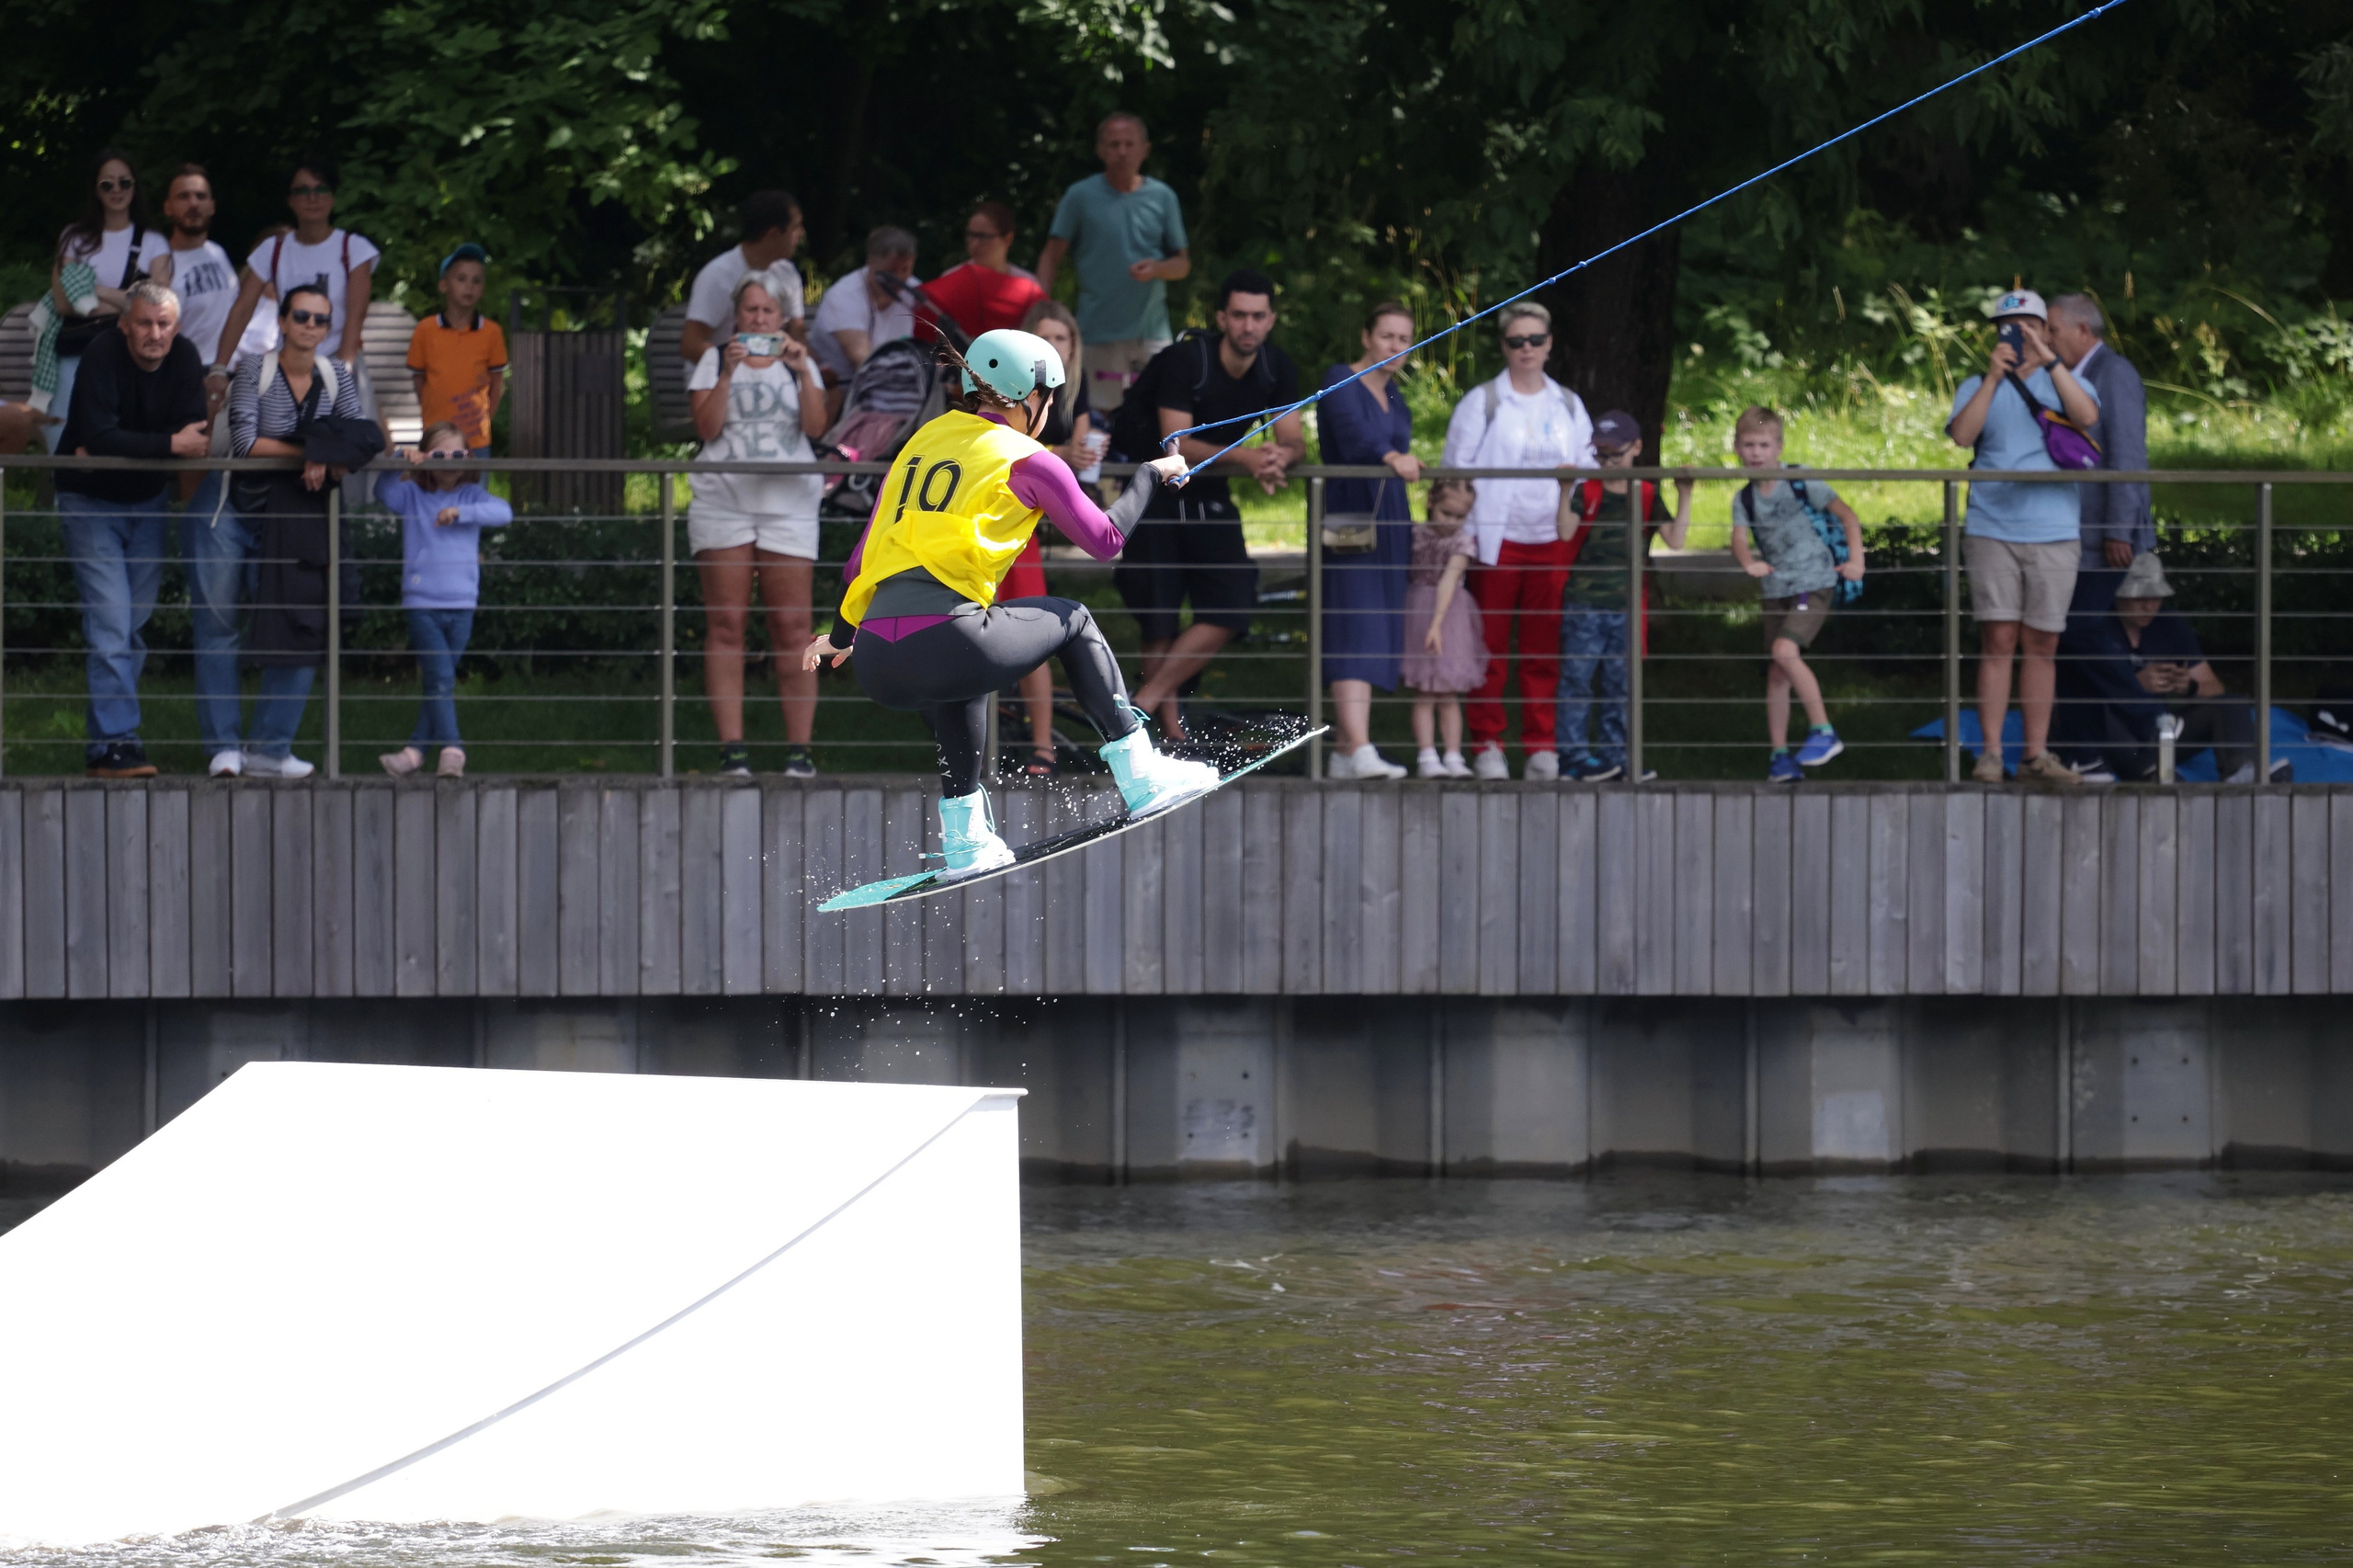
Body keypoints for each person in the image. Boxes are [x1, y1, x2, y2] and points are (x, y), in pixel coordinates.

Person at [801, 330, 1216, 872]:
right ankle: (1143, 778)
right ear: (1030, 396)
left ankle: (966, 839)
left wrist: (840, 638)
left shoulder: (923, 442)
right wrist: (1151, 474)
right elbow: (1106, 542)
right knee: (1074, 619)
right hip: (948, 638)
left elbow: (860, 561)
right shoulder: (1030, 460)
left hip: (878, 662)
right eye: (1052, 398)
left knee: (961, 678)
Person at [1112, 270, 1303, 739]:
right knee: (1158, 616)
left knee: (1231, 604)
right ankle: (1165, 732)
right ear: (1221, 318)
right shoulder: (1185, 360)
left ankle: (1144, 704)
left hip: (1211, 496)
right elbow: (1175, 442)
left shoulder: (1277, 366)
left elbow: (1294, 440)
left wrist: (1279, 456)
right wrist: (1250, 458)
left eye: (1257, 316)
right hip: (1153, 489)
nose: (1248, 325)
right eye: (1238, 315)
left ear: (1271, 320)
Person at [225, 281, 382, 779]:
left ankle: (270, 746)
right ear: (283, 321)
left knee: (307, 624)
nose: (311, 326)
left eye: (321, 319)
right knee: (254, 624)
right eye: (302, 316)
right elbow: (246, 443)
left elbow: (362, 436)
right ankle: (241, 745)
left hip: (309, 515)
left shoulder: (336, 373)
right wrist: (314, 452)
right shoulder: (254, 369)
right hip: (254, 512)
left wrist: (323, 452)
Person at [1946, 287, 2101, 788]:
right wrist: (1994, 377)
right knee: (1998, 639)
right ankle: (1991, 754)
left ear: (2046, 332)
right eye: (2009, 329)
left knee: (2043, 642)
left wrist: (2050, 363)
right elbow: (1962, 436)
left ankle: (2035, 755)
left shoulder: (2069, 380)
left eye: (2031, 328)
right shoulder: (1977, 384)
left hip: (2054, 529)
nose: (2020, 336)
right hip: (1992, 527)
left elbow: (2088, 418)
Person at [55, 279, 207, 778]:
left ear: (176, 328)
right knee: (111, 626)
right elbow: (100, 437)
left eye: (163, 324)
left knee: (131, 629)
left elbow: (195, 435)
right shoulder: (102, 353)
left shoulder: (185, 357)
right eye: (144, 323)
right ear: (125, 325)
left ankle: (106, 747)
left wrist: (121, 445)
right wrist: (165, 444)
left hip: (148, 502)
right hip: (89, 501)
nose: (154, 334)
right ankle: (117, 743)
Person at [1439, 302, 1595, 779]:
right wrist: (1463, 535)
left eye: (1535, 340)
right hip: (1496, 537)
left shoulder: (1567, 404)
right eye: (1516, 341)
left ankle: (1541, 746)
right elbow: (1455, 471)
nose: (1526, 348)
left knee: (1541, 649)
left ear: (1549, 344)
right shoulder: (1483, 401)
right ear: (1504, 346)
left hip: (1551, 537)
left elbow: (1589, 468)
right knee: (1489, 646)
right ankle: (1487, 744)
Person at [688, 275, 830, 778]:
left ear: (782, 318)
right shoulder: (713, 359)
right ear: (737, 317)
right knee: (727, 625)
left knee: (793, 628)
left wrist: (804, 370)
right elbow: (706, 428)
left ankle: (800, 752)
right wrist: (728, 373)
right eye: (750, 310)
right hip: (724, 501)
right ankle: (733, 750)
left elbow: (816, 428)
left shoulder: (800, 363)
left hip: (789, 505)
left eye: (768, 311)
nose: (759, 319)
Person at [2053, 552, 2282, 783]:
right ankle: (2155, 773)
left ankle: (2242, 770)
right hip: (2114, 738)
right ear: (2117, 594)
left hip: (2162, 732)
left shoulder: (2169, 623)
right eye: (2139, 598)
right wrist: (2133, 686)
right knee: (2095, 715)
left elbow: (2214, 687)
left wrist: (2189, 687)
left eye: (2156, 597)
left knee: (2231, 704)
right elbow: (2072, 694)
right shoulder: (2093, 626)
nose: (2149, 606)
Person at [1726, 405, 1866, 781]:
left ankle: (1824, 731)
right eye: (1749, 445)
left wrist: (1856, 560)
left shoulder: (1800, 480)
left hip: (1813, 581)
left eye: (1764, 445)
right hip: (1776, 587)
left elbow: (1848, 516)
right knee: (1778, 671)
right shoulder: (1744, 498)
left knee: (1785, 651)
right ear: (1737, 448)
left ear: (1779, 447)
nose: (1756, 453)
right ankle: (1780, 756)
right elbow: (1738, 539)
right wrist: (1748, 562)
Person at [1552, 410, 1691, 783]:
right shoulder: (1587, 490)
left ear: (1637, 448)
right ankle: (1573, 759)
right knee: (1577, 681)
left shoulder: (1646, 492)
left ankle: (1617, 758)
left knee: (1620, 684)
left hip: (1626, 605)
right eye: (1600, 454)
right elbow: (1565, 532)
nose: (1608, 462)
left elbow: (1675, 539)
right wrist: (1564, 490)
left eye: (1615, 454)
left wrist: (1685, 494)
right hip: (1584, 603)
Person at [1315, 301, 1421, 780]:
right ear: (1366, 337)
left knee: (1378, 630)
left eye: (1404, 339)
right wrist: (1391, 456)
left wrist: (1397, 459)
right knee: (1354, 625)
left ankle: (1344, 750)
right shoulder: (1340, 379)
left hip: (1391, 519)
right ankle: (1360, 748)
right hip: (1350, 518)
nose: (1395, 347)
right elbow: (1353, 435)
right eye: (1387, 336)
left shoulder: (1396, 395)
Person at [375, 424, 513, 778]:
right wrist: (398, 459)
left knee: (441, 681)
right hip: (422, 602)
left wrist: (460, 513)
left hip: (462, 603)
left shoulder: (472, 497)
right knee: (439, 678)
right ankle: (453, 750)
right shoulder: (412, 494)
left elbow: (504, 513)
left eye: (457, 455)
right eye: (439, 455)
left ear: (468, 459)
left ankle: (414, 753)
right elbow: (383, 491)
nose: (449, 463)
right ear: (425, 458)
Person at [999, 299, 1100, 777]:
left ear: (1073, 347)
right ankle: (980, 746)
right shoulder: (1005, 387)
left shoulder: (1076, 388)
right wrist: (1059, 455)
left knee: (1030, 631)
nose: (1054, 346)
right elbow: (1012, 449)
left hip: (1031, 521)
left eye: (1062, 338)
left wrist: (1069, 457)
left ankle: (1042, 746)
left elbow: (1080, 452)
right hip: (998, 513)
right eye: (1045, 337)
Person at [1037, 113, 1190, 415]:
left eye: (1129, 144)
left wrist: (1158, 268)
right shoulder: (1080, 196)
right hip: (1096, 331)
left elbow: (1182, 264)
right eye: (1114, 144)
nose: (1122, 151)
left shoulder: (1162, 197)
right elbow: (1051, 255)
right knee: (1097, 417)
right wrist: (1042, 310)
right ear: (1100, 150)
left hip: (1151, 333)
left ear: (1144, 150)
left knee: (1156, 414)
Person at [36, 149, 166, 449]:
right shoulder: (74, 238)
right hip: (75, 353)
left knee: (123, 437)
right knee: (64, 438)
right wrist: (130, 301)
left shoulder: (153, 241)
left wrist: (94, 290)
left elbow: (158, 305)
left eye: (124, 182)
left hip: (129, 356)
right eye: (107, 184)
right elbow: (64, 303)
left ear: (135, 187)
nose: (116, 190)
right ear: (96, 190)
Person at [213, 156, 379, 370]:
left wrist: (342, 371)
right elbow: (242, 309)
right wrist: (219, 368)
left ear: (332, 198)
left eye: (321, 189)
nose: (313, 198)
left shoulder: (354, 249)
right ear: (290, 200)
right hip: (287, 367)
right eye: (302, 191)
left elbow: (355, 317)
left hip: (338, 362)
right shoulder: (273, 249)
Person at [2049, 293, 2152, 616]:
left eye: (2052, 330)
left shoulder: (2113, 372)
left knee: (2085, 629)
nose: (2046, 340)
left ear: (2082, 330)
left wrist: (2118, 531)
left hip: (2104, 540)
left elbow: (2127, 454)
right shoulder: (2071, 375)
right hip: (2082, 534)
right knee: (2079, 629)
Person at [1401, 479, 1486, 778]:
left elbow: (1450, 580)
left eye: (1460, 516)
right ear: (1430, 503)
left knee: (1448, 692)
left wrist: (1437, 624)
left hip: (1450, 615)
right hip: (1417, 610)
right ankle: (1427, 756)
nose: (1451, 522)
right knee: (1425, 691)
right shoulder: (1413, 535)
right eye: (1445, 513)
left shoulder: (1463, 542)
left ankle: (1453, 756)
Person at [150, 165, 237, 427]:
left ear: (212, 206)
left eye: (200, 196)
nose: (193, 204)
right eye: (183, 196)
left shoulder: (217, 253)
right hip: (188, 379)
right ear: (168, 208)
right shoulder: (159, 264)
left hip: (229, 373)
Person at [680, 190, 807, 365]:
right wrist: (744, 368)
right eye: (796, 227)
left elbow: (797, 335)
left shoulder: (787, 273)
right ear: (774, 234)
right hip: (721, 375)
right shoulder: (718, 276)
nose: (801, 234)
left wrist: (812, 367)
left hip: (775, 375)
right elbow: (691, 345)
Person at [405, 244, 507, 457]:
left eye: (476, 281)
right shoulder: (425, 330)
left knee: (475, 480)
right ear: (444, 285)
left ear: (482, 288)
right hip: (436, 436)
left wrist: (485, 419)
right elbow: (419, 381)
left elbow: (497, 383)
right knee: (433, 479)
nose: (469, 286)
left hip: (476, 438)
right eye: (461, 279)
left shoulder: (491, 332)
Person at [808, 226, 920, 406]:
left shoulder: (915, 292)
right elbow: (864, 361)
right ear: (870, 262)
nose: (899, 279)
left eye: (905, 270)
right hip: (840, 393)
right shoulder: (844, 295)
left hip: (896, 389)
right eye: (891, 271)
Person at [922, 202, 1047, 342]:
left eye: (982, 237)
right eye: (970, 235)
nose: (974, 244)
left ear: (1008, 239)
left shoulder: (1029, 286)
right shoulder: (951, 279)